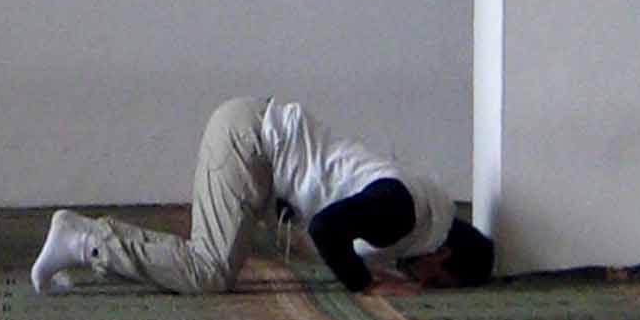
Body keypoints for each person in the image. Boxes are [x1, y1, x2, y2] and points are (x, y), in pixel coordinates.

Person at [31, 96, 495, 297]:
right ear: (446, 253)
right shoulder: (402, 212)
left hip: (255, 144)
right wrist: (366, 285)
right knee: (209, 270)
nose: (427, 284)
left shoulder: (417, 215)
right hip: (250, 142)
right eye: (439, 280)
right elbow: (326, 228)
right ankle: (84, 240)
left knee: (227, 260)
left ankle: (88, 244)